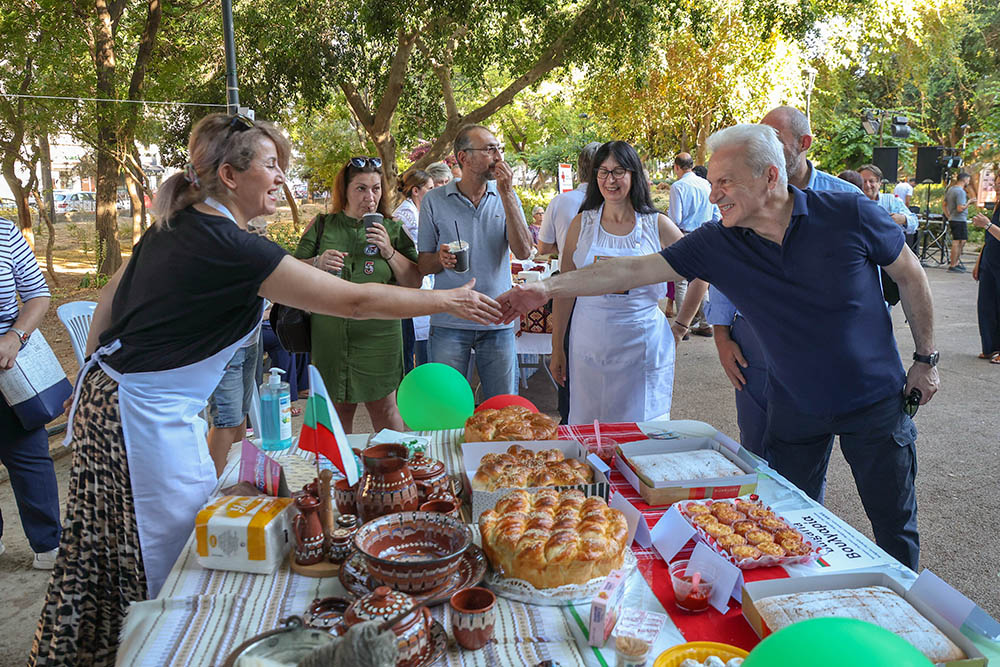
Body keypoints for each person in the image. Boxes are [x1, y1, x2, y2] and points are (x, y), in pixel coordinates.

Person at [30, 113, 501, 666]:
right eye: (272, 165)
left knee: (117, 548)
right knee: (175, 557)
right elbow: (352, 300)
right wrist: (445, 300)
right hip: (141, 419)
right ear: (230, 175)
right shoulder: (232, 245)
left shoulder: (180, 223)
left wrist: (95, 369)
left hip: (122, 401)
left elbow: (112, 293)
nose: (281, 178)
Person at [498, 123, 938, 570]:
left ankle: (911, 627)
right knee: (784, 521)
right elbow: (627, 272)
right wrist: (546, 287)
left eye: (725, 182)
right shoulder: (720, 241)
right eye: (712, 183)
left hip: (874, 400)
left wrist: (925, 359)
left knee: (894, 526)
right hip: (793, 405)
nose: (714, 195)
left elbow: (910, 273)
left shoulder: (848, 212)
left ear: (770, 176)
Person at [694, 107, 865, 457]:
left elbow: (873, 280)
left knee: (806, 457)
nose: (763, 145)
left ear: (804, 143)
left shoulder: (844, 199)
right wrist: (722, 335)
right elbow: (725, 269)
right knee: (756, 447)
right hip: (754, 342)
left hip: (820, 346)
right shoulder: (739, 196)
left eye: (775, 138)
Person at [549, 141, 682, 423]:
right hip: (588, 343)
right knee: (589, 428)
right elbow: (564, 289)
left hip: (641, 343)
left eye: (618, 171)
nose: (610, 180)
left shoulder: (657, 225)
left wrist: (681, 326)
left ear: (634, 175)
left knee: (639, 431)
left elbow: (701, 274)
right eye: (603, 171)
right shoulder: (581, 224)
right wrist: (557, 346)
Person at [294, 158, 423, 433]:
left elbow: (414, 282)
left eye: (376, 189)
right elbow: (289, 273)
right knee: (337, 412)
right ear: (345, 190)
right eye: (361, 189)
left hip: (380, 335)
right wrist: (316, 262)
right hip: (331, 336)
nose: (370, 197)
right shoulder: (323, 225)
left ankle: (391, 473)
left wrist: (388, 251)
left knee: (385, 410)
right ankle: (339, 474)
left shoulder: (393, 229)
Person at [418, 124, 534, 399]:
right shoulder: (434, 200)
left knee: (503, 407)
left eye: (499, 148)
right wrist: (440, 258)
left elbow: (524, 251)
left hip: (497, 319)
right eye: (490, 149)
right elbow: (423, 265)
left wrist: (506, 194)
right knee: (446, 406)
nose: (498, 156)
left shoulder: (506, 195)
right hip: (449, 321)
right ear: (463, 157)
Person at [0, 217, 60, 571]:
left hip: (9, 364)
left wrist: (15, 337)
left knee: (28, 454)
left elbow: (38, 293)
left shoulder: (5, 232)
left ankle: (49, 543)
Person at [536, 141, 600, 422]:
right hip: (588, 289)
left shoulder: (561, 201)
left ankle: (569, 415)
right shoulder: (599, 205)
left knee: (568, 356)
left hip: (572, 286)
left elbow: (543, 247)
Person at [668, 152, 715, 337]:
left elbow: (676, 218)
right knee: (702, 280)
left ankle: (683, 326)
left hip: (683, 235)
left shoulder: (678, 187)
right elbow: (716, 214)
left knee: (680, 281)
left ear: (677, 167)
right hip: (705, 234)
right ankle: (706, 323)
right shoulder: (706, 184)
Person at [205, 323, 261, 475]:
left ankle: (236, 477)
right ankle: (213, 488)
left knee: (241, 413)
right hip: (226, 346)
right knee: (227, 420)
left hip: (250, 341)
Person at [394, 169, 435, 373]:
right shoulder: (405, 216)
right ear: (416, 191)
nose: (434, 192)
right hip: (409, 285)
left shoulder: (418, 212)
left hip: (422, 283)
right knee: (412, 346)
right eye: (431, 188)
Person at [537, 142, 601, 256]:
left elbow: (543, 248)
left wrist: (566, 249)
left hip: (569, 271)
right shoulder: (617, 203)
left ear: (579, 168)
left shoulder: (559, 202)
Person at [972, 208, 1000, 363]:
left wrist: (987, 225)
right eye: (995, 184)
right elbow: (988, 239)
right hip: (990, 261)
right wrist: (979, 262)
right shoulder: (997, 206)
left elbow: (991, 229)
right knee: (986, 305)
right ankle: (990, 347)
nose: (996, 187)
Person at [858, 164, 918, 235]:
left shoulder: (892, 200)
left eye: (871, 181)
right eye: (864, 181)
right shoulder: (852, 202)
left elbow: (915, 223)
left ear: (880, 183)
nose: (867, 185)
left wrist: (903, 219)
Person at [944, 172, 976, 272]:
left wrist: (948, 215)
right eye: (968, 180)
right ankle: (953, 264)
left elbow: (944, 204)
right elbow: (960, 208)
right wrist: (969, 202)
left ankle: (955, 262)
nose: (969, 182)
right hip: (959, 219)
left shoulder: (950, 189)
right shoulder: (960, 192)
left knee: (961, 240)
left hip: (953, 218)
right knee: (957, 242)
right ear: (965, 179)